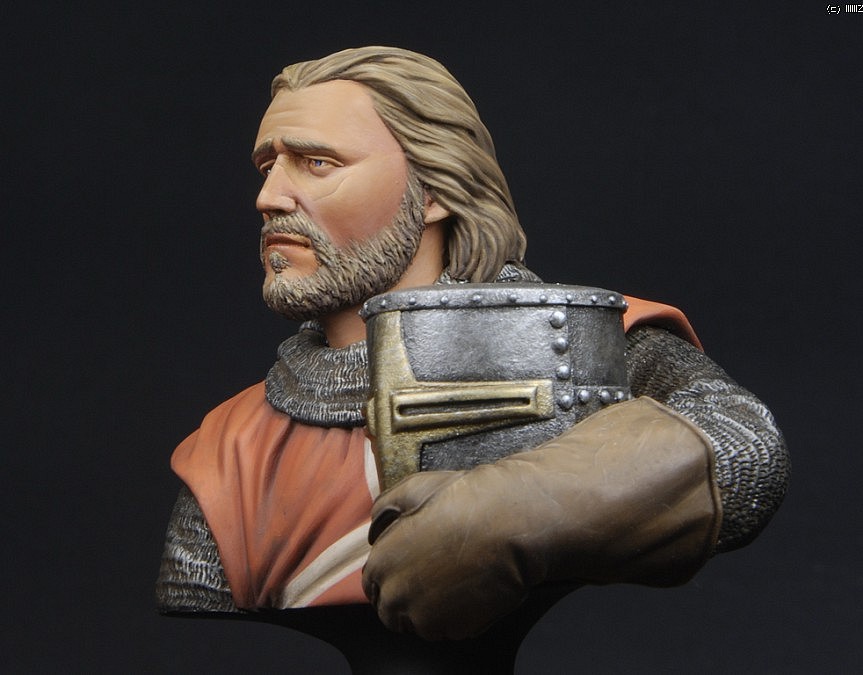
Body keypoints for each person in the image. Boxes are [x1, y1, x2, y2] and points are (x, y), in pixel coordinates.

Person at [156, 46, 789, 642]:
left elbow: (743, 446)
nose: (268, 198)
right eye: (267, 167)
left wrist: (513, 511)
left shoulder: (580, 342)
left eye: (317, 163)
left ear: (433, 189)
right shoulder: (231, 450)